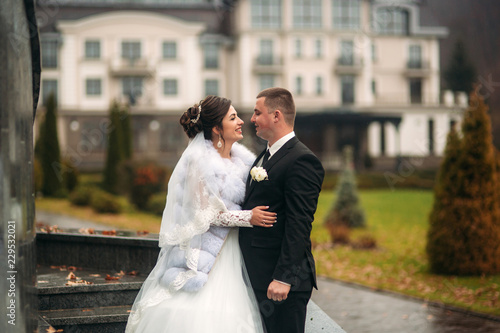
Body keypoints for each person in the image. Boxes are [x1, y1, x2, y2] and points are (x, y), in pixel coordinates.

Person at [125, 95, 277, 333]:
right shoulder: (199, 161)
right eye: (233, 117)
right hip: (208, 253)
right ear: (217, 128)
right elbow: (204, 213)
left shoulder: (245, 161)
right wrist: (248, 217)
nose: (241, 122)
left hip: (237, 248)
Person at [239, 87, 325, 333]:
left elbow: (299, 223)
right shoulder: (263, 156)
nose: (252, 119)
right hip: (259, 274)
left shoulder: (302, 160)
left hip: (281, 282)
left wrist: (283, 277)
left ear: (276, 116)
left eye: (257, 113)